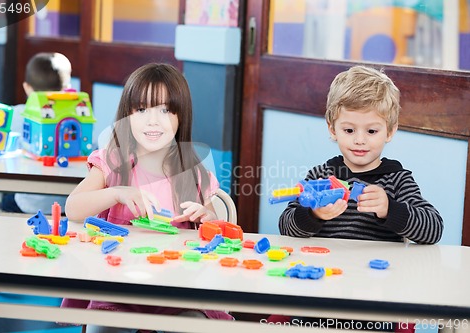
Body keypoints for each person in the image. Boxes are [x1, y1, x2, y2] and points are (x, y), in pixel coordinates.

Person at [61, 63, 233, 333]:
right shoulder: (113, 160)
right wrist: (116, 192)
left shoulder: (192, 172)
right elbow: (72, 208)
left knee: (198, 326)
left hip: (176, 291)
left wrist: (206, 217)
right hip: (117, 290)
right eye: (142, 110)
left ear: (181, 116)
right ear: (128, 116)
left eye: (165, 110)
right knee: (103, 327)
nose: (153, 120)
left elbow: (213, 228)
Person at [274, 65, 443, 331]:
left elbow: (433, 229)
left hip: (375, 299)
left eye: (372, 131)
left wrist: (390, 209)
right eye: (349, 130)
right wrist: (314, 214)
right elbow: (286, 225)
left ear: (390, 131)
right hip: (319, 297)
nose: (360, 141)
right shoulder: (320, 175)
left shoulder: (397, 180)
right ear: (333, 129)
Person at [0, 52, 72, 214]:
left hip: (27, 204)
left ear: (27, 87)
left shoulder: (15, 114)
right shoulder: (74, 120)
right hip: (66, 206)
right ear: (66, 89)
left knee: (6, 202)